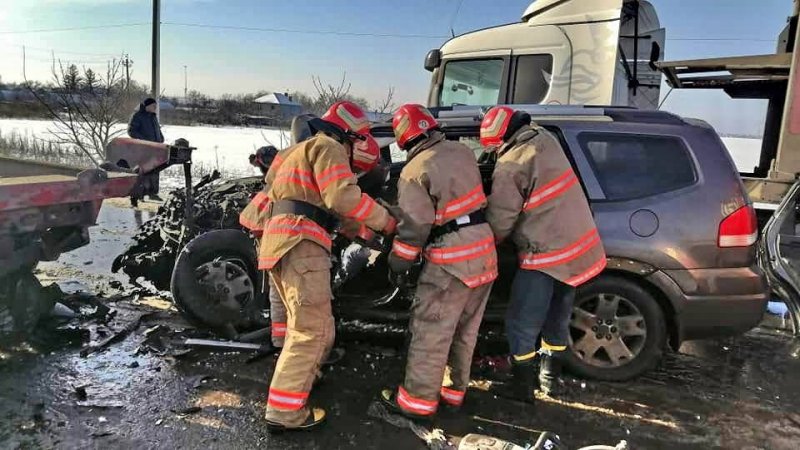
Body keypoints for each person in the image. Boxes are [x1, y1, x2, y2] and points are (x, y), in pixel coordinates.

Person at [255, 101, 396, 431]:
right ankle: (285, 413)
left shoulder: (299, 151)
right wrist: (387, 221)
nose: (357, 146)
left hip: (280, 241)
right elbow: (343, 199)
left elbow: (330, 210)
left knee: (306, 326)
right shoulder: (330, 146)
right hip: (301, 243)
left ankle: (302, 382)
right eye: (358, 139)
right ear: (349, 134)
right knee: (313, 331)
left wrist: (363, 228)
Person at [481, 106, 606, 401]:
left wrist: (483, 243)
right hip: (577, 249)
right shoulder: (545, 138)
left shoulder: (511, 165)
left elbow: (500, 221)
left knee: (521, 322)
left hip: (545, 255)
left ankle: (521, 387)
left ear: (503, 139)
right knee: (556, 318)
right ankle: (550, 380)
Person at [380, 104, 497, 419]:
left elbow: (415, 228)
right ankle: (453, 392)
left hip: (452, 261)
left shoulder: (414, 171)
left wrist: (397, 264)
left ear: (404, 141)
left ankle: (416, 403)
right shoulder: (461, 152)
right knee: (464, 330)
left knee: (432, 331)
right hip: (484, 250)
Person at [128, 97, 165, 202]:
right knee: (142, 172)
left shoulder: (153, 117)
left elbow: (156, 129)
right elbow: (131, 131)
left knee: (155, 170)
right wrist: (144, 140)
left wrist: (161, 138)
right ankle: (138, 195)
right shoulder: (138, 116)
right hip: (142, 149)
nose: (155, 108)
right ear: (147, 106)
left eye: (156, 106)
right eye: (153, 106)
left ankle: (152, 193)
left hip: (155, 148)